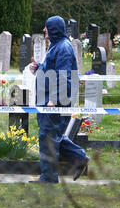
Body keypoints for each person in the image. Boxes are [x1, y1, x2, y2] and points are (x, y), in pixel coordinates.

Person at [29, 16, 89, 184]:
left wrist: (54, 99)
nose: (44, 30)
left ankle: (49, 177)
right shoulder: (57, 46)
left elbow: (64, 76)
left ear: (53, 28)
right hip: (47, 99)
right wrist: (39, 68)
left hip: (54, 102)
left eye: (46, 27)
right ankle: (79, 158)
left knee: (48, 136)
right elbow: (53, 71)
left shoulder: (63, 47)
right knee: (51, 135)